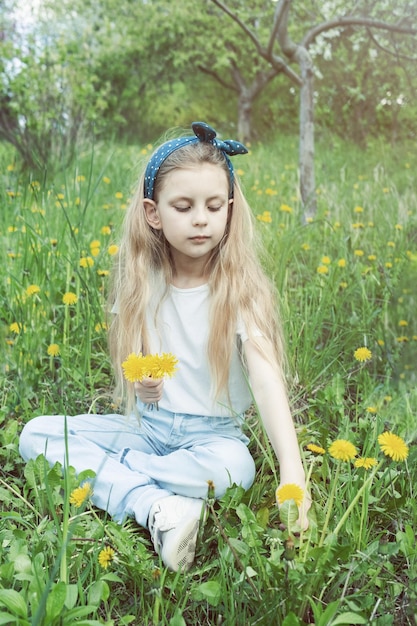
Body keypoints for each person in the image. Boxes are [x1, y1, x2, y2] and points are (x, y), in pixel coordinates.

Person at [19, 121, 310, 572]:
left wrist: (293, 471)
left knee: (237, 470)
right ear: (153, 213)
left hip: (213, 438)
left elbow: (268, 381)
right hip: (148, 430)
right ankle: (155, 503)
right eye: (184, 206)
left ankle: (121, 478)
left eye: (214, 206)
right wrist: (142, 382)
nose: (201, 218)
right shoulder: (141, 282)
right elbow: (134, 363)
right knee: (35, 434)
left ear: (230, 210)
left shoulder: (240, 290)